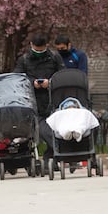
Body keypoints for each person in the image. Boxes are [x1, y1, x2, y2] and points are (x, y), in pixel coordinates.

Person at [13, 32, 65, 172]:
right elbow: (18, 78)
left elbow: (63, 75)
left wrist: (51, 83)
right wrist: (32, 83)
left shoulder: (54, 57)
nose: (39, 52)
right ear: (31, 45)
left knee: (54, 129)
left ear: (46, 46)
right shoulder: (24, 60)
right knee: (42, 129)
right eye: (37, 49)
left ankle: (51, 159)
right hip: (32, 101)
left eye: (42, 50)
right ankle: (54, 155)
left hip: (52, 99)